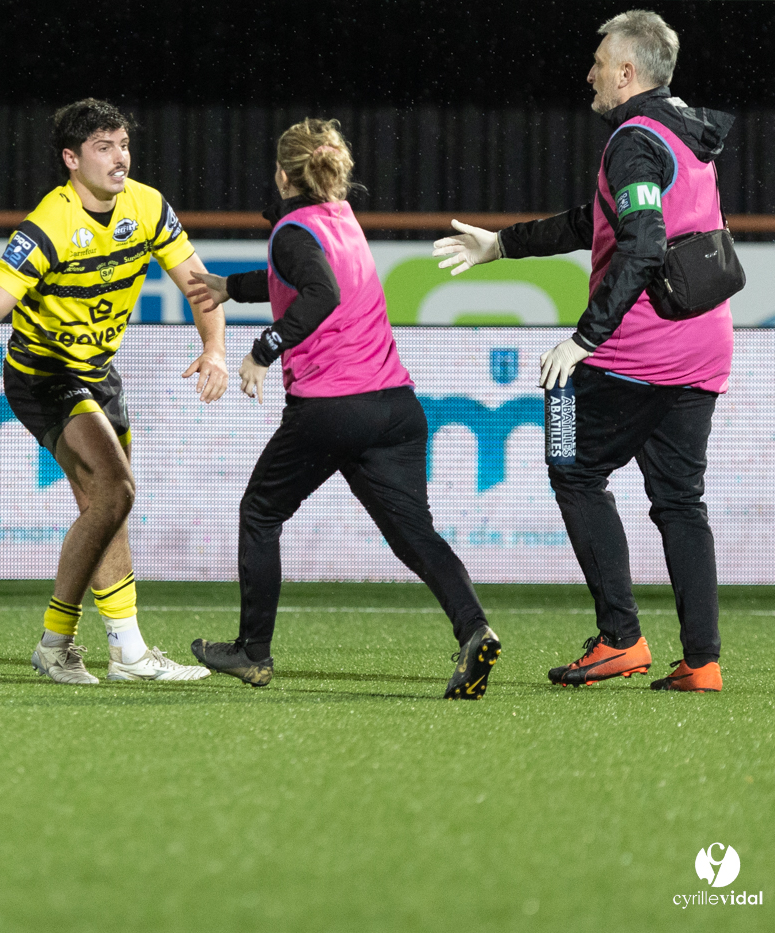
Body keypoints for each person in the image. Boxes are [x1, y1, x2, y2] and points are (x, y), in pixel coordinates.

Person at [433, 9, 731, 693]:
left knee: (570, 464)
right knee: (681, 500)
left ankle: (620, 638)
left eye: (599, 61)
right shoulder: (682, 132)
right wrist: (500, 244)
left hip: (638, 352)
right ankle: (703, 659)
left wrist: (584, 338)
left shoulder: (631, 140)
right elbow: (594, 221)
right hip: (705, 349)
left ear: (627, 72)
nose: (589, 72)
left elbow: (645, 243)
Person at [187, 118, 503, 699]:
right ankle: (474, 629)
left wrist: (262, 349)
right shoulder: (341, 220)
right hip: (396, 408)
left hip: (332, 408)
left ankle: (253, 653)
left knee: (260, 511)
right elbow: (304, 277)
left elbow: (319, 293)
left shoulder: (290, 229)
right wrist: (233, 287)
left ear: (283, 174)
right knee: (415, 535)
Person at [0, 98, 226, 685]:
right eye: (104, 148)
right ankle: (56, 643)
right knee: (116, 488)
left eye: (123, 144)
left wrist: (215, 348)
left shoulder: (148, 206)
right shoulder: (50, 223)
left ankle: (125, 652)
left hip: (98, 373)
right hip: (43, 375)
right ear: (71, 159)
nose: (120, 158)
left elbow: (201, 287)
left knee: (108, 507)